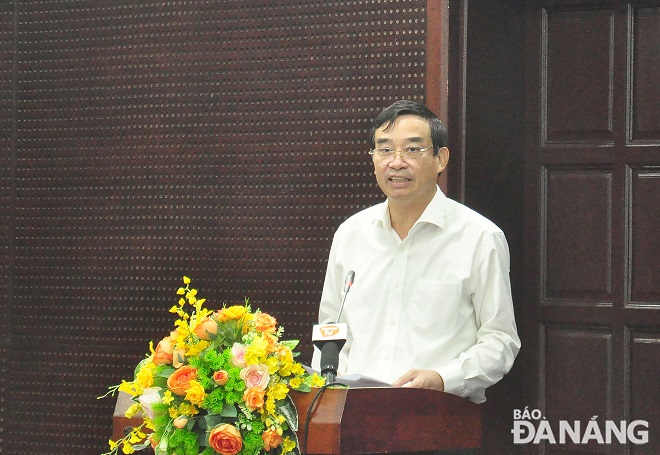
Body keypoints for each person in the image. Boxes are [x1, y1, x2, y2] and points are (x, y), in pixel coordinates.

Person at [311, 100, 520, 407]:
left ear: (440, 158)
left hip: (437, 416)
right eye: (384, 149)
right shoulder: (351, 234)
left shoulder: (479, 237)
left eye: (413, 149)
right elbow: (330, 332)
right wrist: (327, 389)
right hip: (354, 416)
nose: (396, 162)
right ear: (372, 158)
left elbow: (500, 342)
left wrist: (443, 378)